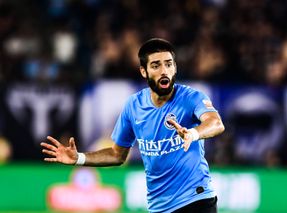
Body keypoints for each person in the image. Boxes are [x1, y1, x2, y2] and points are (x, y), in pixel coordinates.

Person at [41, 38, 225, 213]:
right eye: (156, 65)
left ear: (175, 68)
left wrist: (193, 134)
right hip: (159, 206)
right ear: (143, 71)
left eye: (169, 64)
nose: (164, 70)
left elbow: (215, 123)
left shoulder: (191, 98)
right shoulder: (134, 106)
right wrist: (79, 158)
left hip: (196, 199)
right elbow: (117, 154)